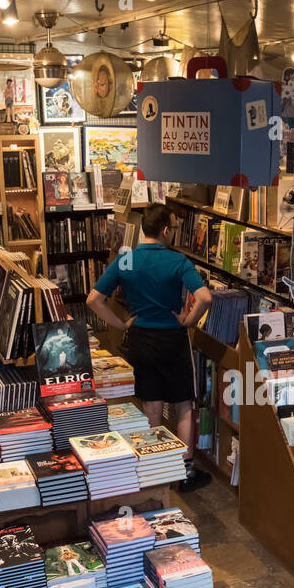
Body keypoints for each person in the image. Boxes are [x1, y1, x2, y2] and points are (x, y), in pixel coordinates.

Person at [87, 203, 214, 491]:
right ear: (166, 230)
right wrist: (187, 321)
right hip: (172, 339)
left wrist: (121, 324)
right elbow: (205, 297)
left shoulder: (126, 259)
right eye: (174, 229)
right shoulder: (178, 261)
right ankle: (185, 472)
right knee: (182, 405)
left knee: (151, 405)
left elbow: (93, 299)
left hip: (141, 339)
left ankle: (158, 469)